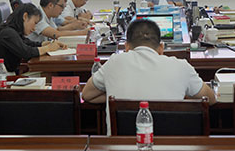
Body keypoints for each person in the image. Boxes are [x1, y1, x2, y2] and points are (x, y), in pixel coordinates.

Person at [82, 19, 215, 104]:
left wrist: (114, 96)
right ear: (161, 48)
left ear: (126, 47)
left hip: (123, 140)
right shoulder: (182, 67)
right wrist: (180, 96)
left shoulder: (114, 62)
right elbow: (210, 99)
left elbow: (87, 95)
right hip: (170, 139)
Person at [0, 3, 66, 71]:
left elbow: (28, 43)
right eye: (34, 23)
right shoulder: (8, 33)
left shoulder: (14, 31)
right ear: (25, 16)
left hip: (8, 74)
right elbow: (26, 52)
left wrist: (45, 44)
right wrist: (48, 48)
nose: (34, 28)